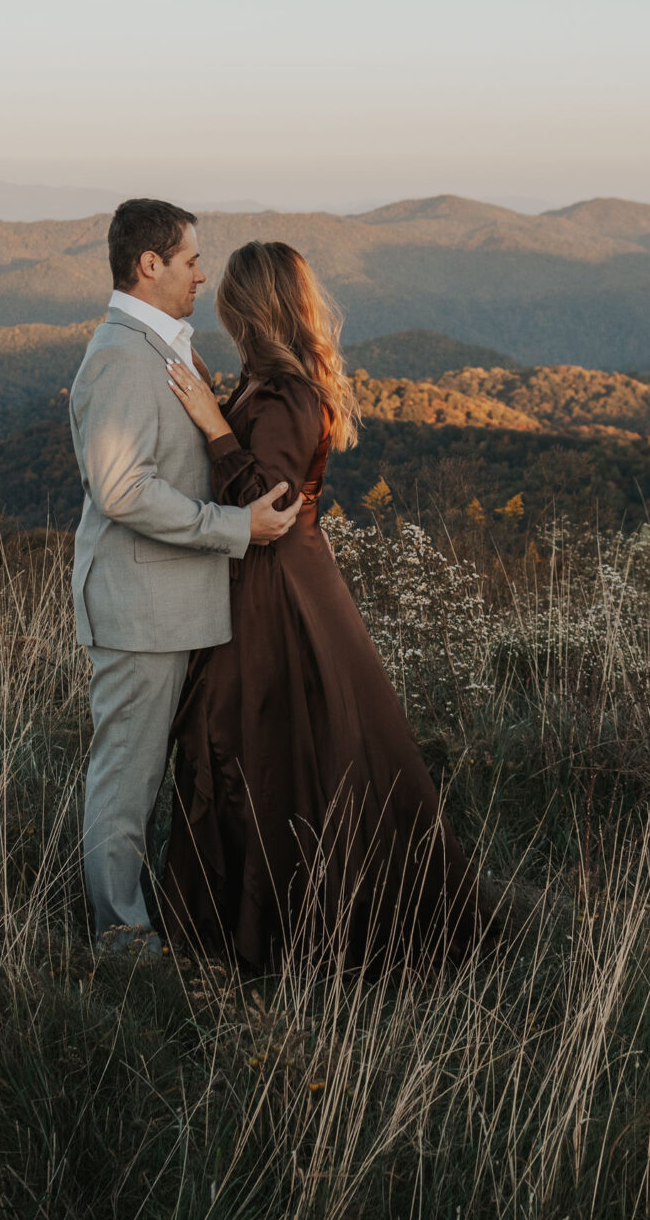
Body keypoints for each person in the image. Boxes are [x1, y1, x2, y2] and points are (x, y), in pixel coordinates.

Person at [159, 239, 487, 971]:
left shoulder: (287, 393)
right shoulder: (267, 383)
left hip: (280, 591)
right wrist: (216, 402)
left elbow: (266, 504)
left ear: (250, 305)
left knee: (269, 744)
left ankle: (282, 929)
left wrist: (212, 425)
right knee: (262, 741)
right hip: (274, 580)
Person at [70, 199, 299, 961]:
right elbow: (123, 489)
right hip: (140, 605)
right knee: (127, 776)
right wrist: (234, 529)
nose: (204, 272)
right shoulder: (120, 355)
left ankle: (171, 914)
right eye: (192, 259)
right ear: (149, 265)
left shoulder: (161, 345)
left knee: (164, 776)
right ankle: (119, 935)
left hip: (175, 604)